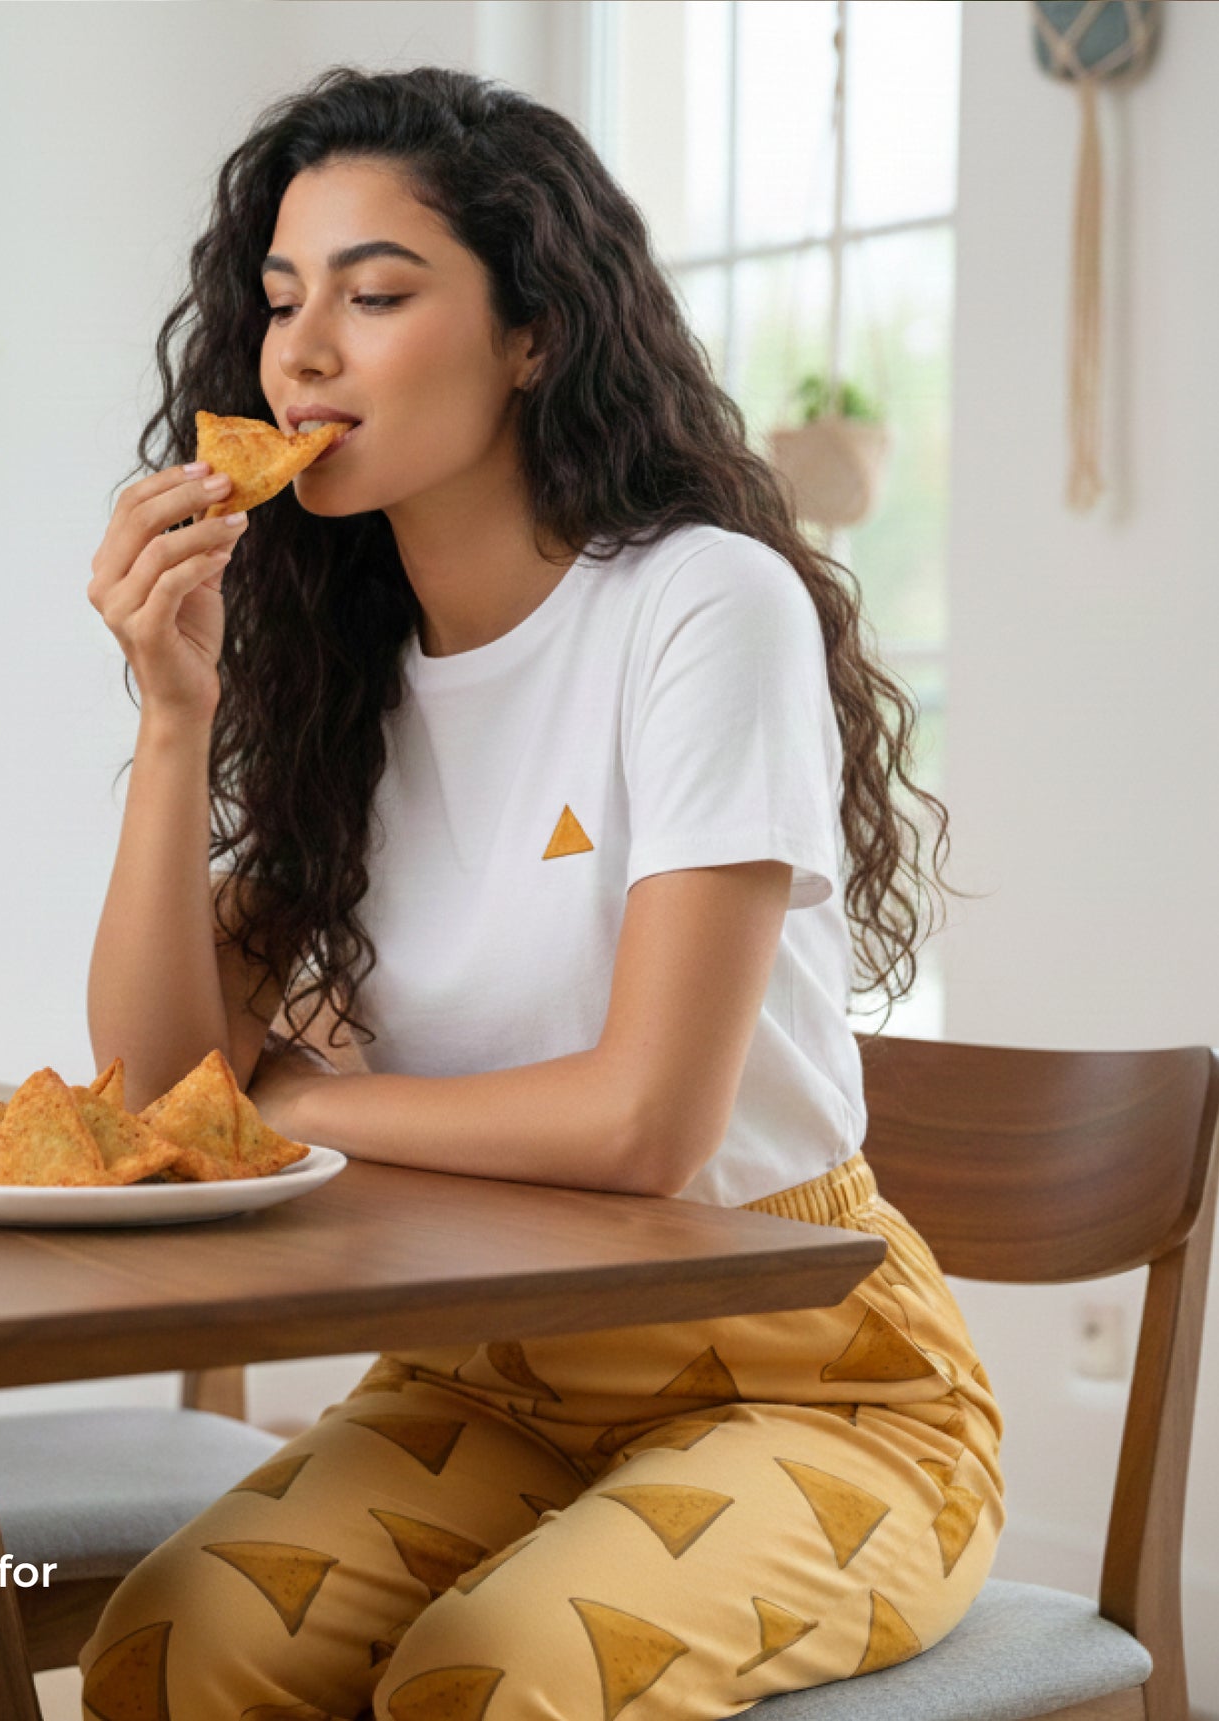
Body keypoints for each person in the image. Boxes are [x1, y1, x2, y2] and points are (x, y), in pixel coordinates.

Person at [79, 65, 1000, 1721]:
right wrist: (170, 715)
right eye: (280, 299)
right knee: (165, 1649)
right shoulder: (336, 675)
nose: (301, 349)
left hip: (813, 1384)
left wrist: (306, 1103)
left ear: (533, 334)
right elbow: (159, 1095)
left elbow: (643, 1123)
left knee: (488, 1677)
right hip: (483, 1374)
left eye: (376, 293)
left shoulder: (701, 608)